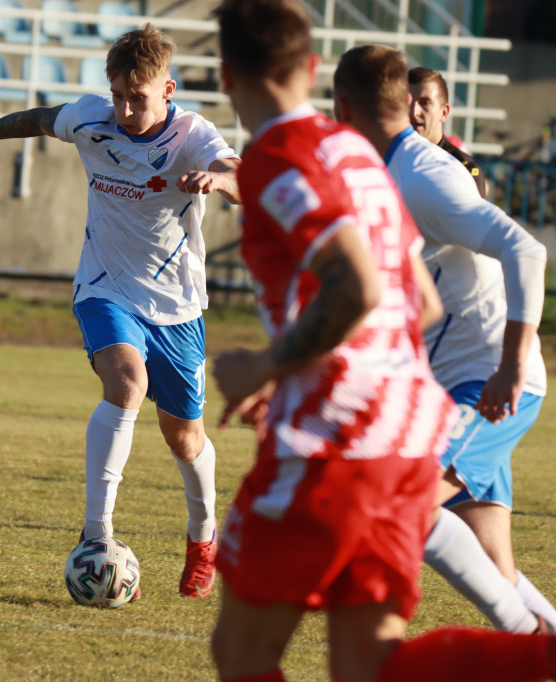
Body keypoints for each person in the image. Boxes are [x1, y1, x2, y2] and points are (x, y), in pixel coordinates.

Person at [209, 2, 556, 681]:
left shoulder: (279, 156)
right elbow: (417, 301)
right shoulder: (359, 156)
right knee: (368, 666)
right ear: (310, 70)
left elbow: (358, 289)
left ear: (225, 76)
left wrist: (269, 366)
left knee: (242, 653)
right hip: (404, 430)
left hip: (335, 444)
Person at [0, 24, 240, 599]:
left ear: (169, 88)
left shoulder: (192, 133)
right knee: (127, 384)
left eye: (140, 97)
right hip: (105, 289)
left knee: (185, 439)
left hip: (178, 307)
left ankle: (203, 537)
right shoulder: (89, 120)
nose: (128, 110)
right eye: (119, 96)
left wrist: (221, 179)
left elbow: (244, 172)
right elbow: (34, 119)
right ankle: (95, 534)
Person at [335, 44, 556, 636]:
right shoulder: (381, 171)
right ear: (406, 103)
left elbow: (527, 249)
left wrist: (510, 365)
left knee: (401, 502)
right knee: (490, 558)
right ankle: (542, 635)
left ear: (340, 105)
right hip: (450, 384)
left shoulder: (427, 175)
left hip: (486, 382)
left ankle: (528, 645)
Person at [407, 67, 488, 197]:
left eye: (424, 103)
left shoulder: (465, 169)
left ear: (444, 113)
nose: (414, 111)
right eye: (407, 102)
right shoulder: (384, 158)